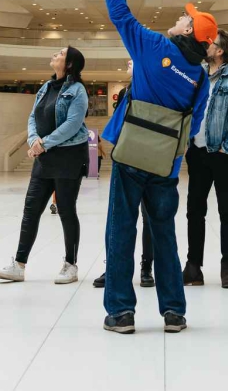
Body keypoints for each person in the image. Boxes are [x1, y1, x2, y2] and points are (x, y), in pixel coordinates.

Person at [98, 0, 211, 335]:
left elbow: (121, 15)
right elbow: (192, 124)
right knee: (164, 235)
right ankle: (174, 312)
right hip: (166, 165)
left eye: (185, 18)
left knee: (121, 231)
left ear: (186, 31)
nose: (181, 17)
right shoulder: (199, 76)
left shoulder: (153, 46)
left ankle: (121, 313)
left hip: (131, 157)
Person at [0, 46, 90, 284]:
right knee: (31, 208)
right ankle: (18, 264)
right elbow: (32, 117)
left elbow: (72, 123)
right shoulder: (45, 87)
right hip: (45, 158)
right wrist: (32, 139)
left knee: (66, 210)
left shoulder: (78, 90)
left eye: (60, 53)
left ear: (69, 64)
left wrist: (44, 143)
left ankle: (70, 264)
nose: (55, 54)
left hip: (69, 156)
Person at [183, 28, 228, 288]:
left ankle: (226, 267)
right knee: (194, 212)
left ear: (220, 51)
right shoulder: (197, 74)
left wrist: (227, 146)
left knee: (227, 211)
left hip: (223, 155)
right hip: (197, 153)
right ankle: (193, 267)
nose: (206, 45)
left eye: (211, 43)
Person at [92, 66, 154, 290]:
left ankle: (147, 267)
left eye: (133, 62)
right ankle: (114, 268)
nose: (128, 64)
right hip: (125, 156)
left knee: (149, 218)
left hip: (148, 157)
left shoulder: (150, 87)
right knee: (117, 218)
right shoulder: (128, 89)